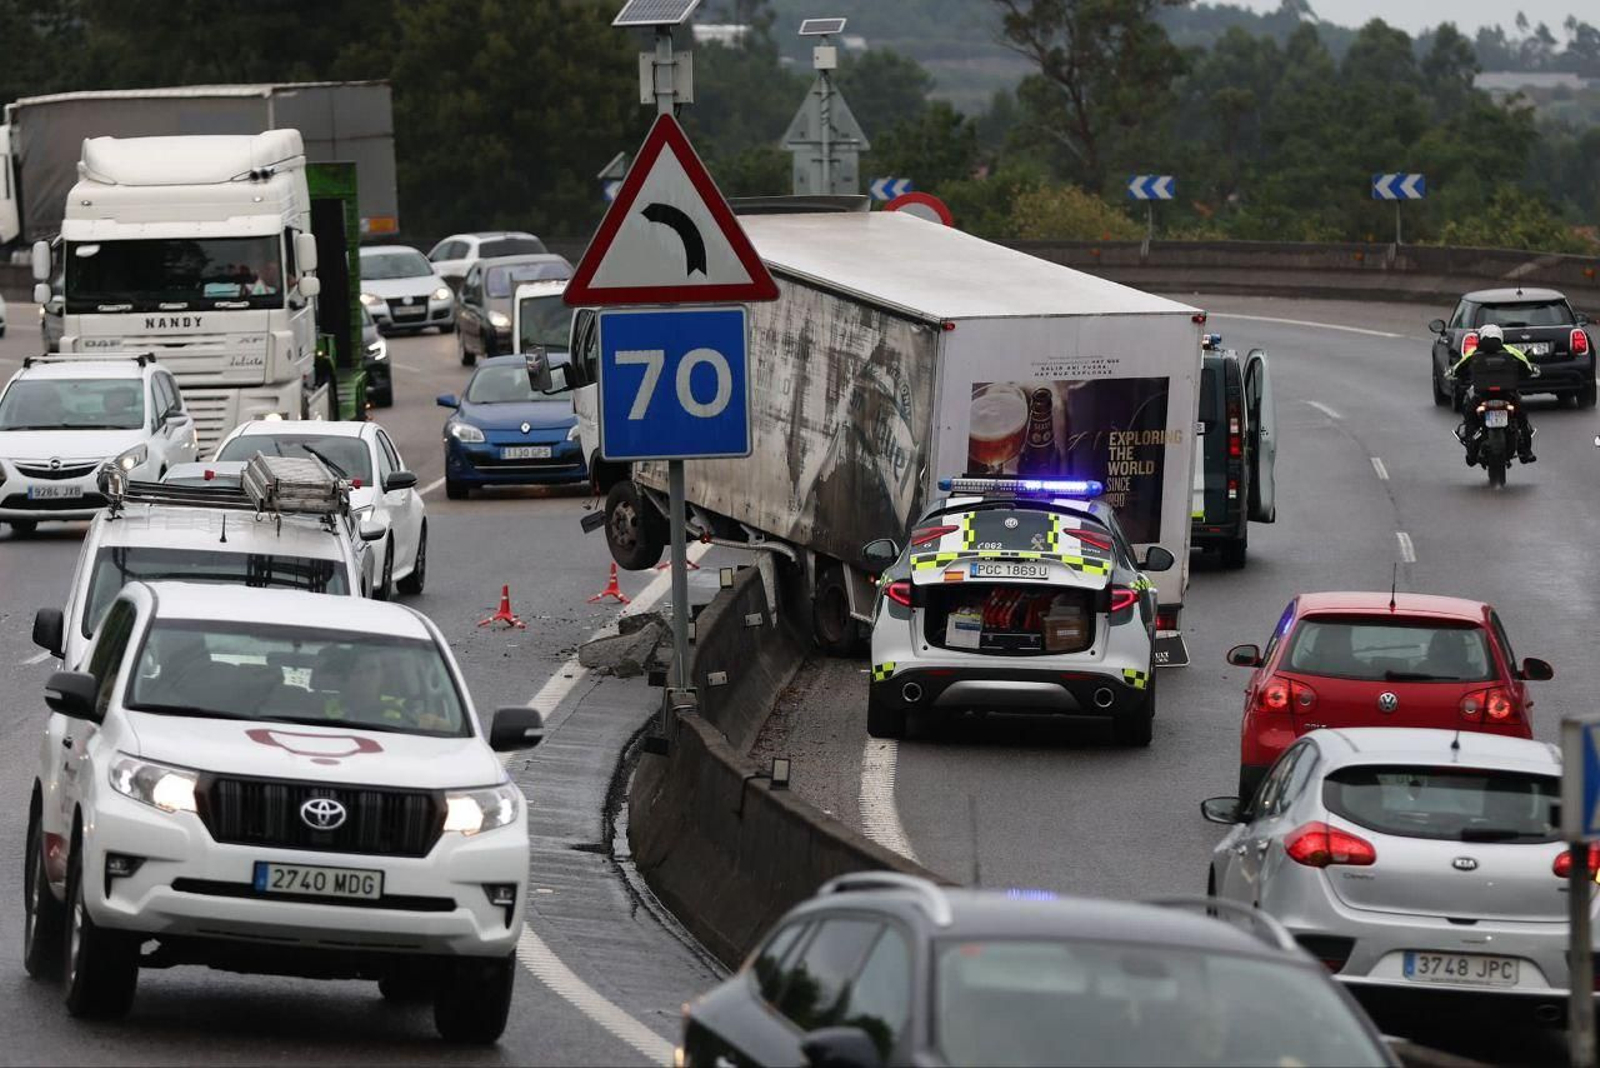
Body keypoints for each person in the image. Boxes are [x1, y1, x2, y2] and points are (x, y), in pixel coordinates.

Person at [1447, 322, 1538, 464]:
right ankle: (1526, 451)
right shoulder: (1511, 351)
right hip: (1508, 396)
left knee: (1469, 417)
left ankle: (1471, 450)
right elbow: (1526, 367)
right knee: (1522, 419)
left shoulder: (1473, 353)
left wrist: (1453, 373)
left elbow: (1458, 369)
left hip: (1482, 397)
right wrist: (1528, 372)